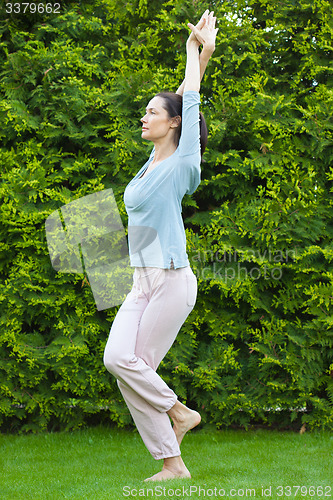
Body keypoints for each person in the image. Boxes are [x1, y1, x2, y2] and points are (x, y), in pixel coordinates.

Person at [103, 10, 218, 482]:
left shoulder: (181, 166)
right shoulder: (150, 163)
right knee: (122, 363)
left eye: (153, 111)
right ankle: (179, 421)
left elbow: (188, 98)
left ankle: (173, 461)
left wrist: (197, 53)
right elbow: (180, 102)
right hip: (141, 282)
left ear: (174, 125)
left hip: (171, 279)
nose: (144, 116)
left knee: (136, 369)